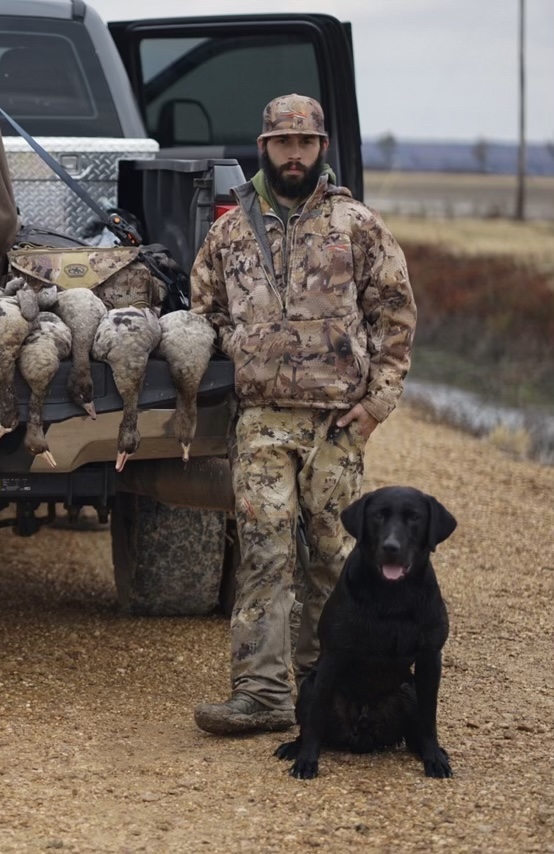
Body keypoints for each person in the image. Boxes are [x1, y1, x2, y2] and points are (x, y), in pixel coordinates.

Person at [187, 94, 417, 735]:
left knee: (331, 557)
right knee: (262, 555)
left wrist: (376, 405)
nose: (294, 154)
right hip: (261, 421)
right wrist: (242, 348)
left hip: (337, 427)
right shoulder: (231, 230)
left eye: (306, 143)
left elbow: (395, 316)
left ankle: (328, 690)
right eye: (283, 143)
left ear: (321, 149)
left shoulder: (357, 225)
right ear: (264, 147)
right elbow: (203, 309)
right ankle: (261, 696)